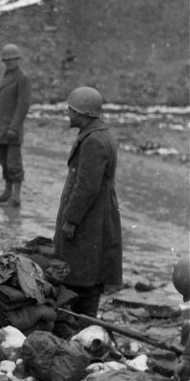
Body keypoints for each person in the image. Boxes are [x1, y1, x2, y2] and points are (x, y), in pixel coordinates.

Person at [53, 86, 122, 332]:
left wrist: (71, 219)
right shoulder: (97, 134)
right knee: (88, 269)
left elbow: (86, 187)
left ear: (83, 113)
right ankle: (83, 324)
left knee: (84, 272)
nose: (68, 114)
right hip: (95, 213)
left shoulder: (94, 141)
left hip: (89, 217)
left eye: (71, 110)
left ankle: (83, 326)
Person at [0, 43, 31, 206]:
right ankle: (7, 192)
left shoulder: (23, 78)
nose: (9, 62)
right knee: (3, 160)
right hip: (1, 128)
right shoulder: (5, 75)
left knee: (14, 163)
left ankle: (16, 196)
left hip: (12, 129)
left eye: (12, 59)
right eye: (6, 60)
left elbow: (23, 105)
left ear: (18, 60)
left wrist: (14, 127)